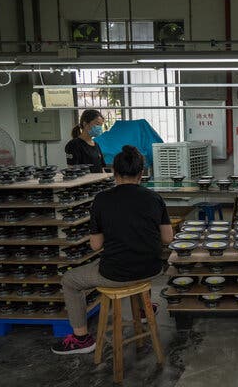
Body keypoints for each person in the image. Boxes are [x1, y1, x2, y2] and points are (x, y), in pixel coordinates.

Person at [52, 145, 173, 354]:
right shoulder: (154, 198)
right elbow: (167, 238)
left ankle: (81, 338)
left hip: (115, 273)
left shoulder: (102, 200)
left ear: (114, 173)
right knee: (134, 256)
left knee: (69, 281)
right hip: (152, 269)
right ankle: (144, 309)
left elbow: (96, 245)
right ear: (141, 173)